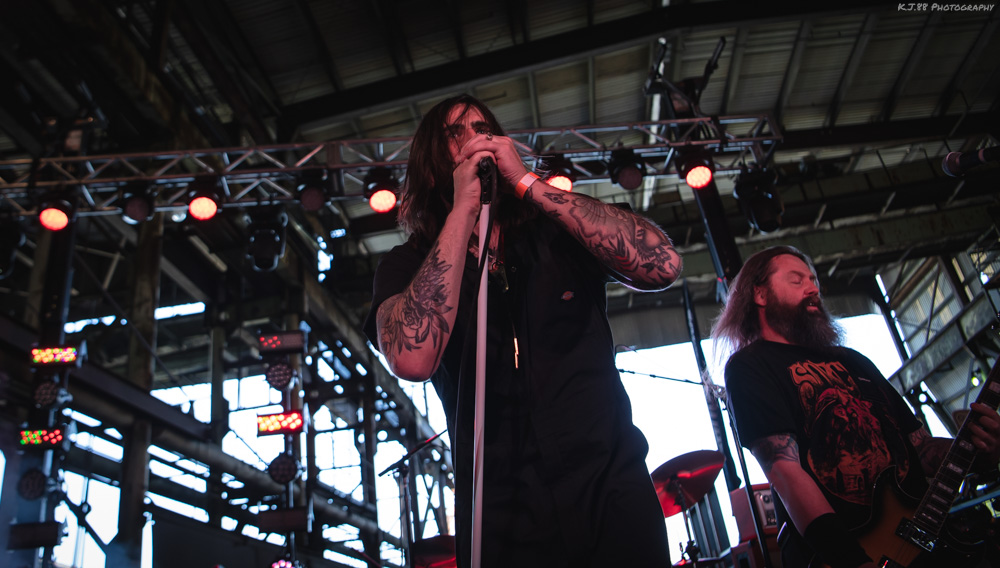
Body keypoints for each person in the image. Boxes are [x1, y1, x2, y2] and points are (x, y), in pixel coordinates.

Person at [362, 94, 681, 567]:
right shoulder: (408, 265)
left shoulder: (556, 231)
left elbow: (663, 265)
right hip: (502, 512)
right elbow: (411, 359)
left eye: (483, 126)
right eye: (457, 133)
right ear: (433, 168)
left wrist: (529, 183)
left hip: (609, 491)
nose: (477, 137)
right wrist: (463, 210)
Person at [711, 245, 1000, 568]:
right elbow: (785, 471)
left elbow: (919, 447)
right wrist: (851, 561)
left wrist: (979, 454)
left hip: (927, 538)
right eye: (797, 280)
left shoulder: (854, 361)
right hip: (851, 553)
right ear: (760, 295)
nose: (813, 288)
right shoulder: (751, 365)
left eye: (814, 280)